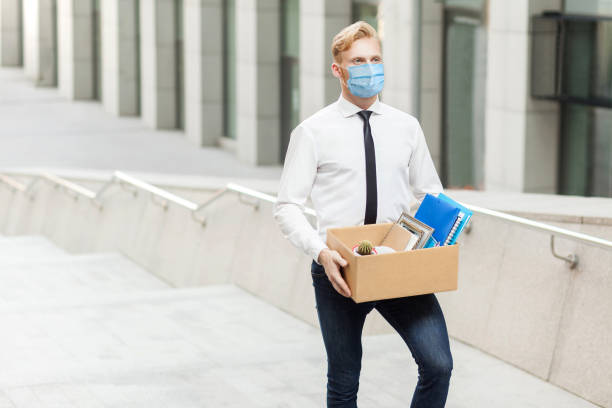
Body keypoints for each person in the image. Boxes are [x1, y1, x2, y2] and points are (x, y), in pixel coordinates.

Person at [272, 21, 453, 408]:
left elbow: (431, 191)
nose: (369, 67)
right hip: (340, 269)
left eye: (375, 58)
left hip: (397, 264)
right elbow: (286, 205)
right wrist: (321, 252)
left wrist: (433, 239)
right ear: (338, 70)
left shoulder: (406, 127)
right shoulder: (313, 132)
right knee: (343, 382)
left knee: (438, 364)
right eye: (358, 60)